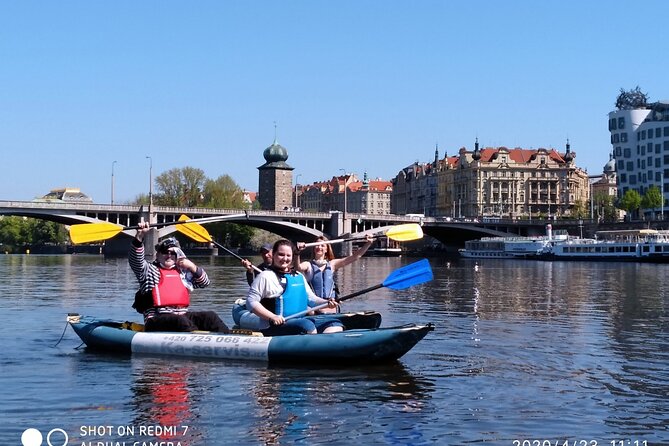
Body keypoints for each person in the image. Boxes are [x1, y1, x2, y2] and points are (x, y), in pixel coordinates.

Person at [129, 222, 230, 333]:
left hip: (183, 317)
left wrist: (192, 267)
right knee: (180, 321)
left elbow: (205, 282)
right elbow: (136, 261)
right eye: (165, 252)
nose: (169, 255)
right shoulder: (149, 271)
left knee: (210, 317)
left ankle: (229, 338)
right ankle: (194, 341)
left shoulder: (183, 273)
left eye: (173, 253)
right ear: (157, 255)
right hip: (155, 320)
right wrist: (139, 236)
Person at [241, 239, 344, 336]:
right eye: (281, 255)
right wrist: (272, 317)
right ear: (274, 255)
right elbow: (251, 302)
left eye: (288, 255)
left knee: (334, 323)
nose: (285, 259)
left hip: (300, 321)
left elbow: (311, 299)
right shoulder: (265, 276)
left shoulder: (298, 276)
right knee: (307, 326)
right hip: (273, 326)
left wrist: (327, 302)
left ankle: (325, 347)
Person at [296, 234, 373, 313]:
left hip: (330, 303)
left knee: (328, 310)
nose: (319, 247)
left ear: (326, 249)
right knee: (313, 311)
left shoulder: (332, 264)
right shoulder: (308, 265)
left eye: (322, 246)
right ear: (313, 248)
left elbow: (355, 257)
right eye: (317, 245)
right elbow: (298, 267)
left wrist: (368, 243)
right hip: (315, 305)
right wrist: (297, 253)